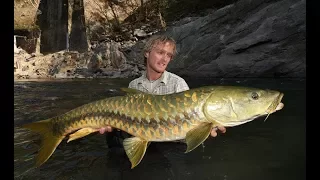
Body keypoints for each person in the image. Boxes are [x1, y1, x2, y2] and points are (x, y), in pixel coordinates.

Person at [99, 35, 226, 148]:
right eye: (160, 52)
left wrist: (205, 129)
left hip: (172, 145)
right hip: (146, 142)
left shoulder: (178, 84)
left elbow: (190, 123)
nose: (165, 59)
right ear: (147, 53)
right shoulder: (134, 85)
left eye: (169, 55)